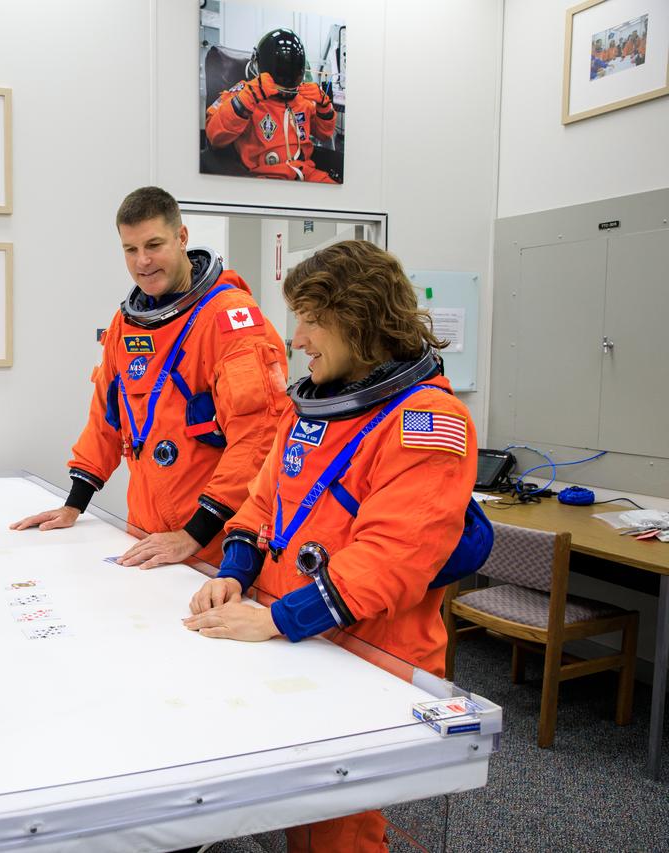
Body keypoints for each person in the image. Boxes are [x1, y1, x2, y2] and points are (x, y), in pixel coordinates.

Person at [184, 239, 477, 852]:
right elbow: (263, 506)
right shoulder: (309, 410)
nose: (297, 339)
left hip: (370, 659)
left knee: (337, 832)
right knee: (289, 811)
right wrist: (236, 573)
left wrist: (276, 619)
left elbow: (386, 564)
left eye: (312, 320)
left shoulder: (426, 422)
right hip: (296, 638)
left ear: (361, 322)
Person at [11, 186, 289, 569]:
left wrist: (193, 535)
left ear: (182, 238)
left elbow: (258, 438)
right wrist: (74, 504)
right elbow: (107, 418)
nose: (142, 261)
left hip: (217, 544)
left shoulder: (230, 320)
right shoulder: (126, 324)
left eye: (154, 245)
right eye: (130, 249)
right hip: (148, 534)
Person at [205, 28, 337, 183]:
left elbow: (324, 134)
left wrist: (324, 106)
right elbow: (214, 136)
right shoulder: (245, 93)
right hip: (264, 178)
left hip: (306, 174)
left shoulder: (304, 99)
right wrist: (248, 98)